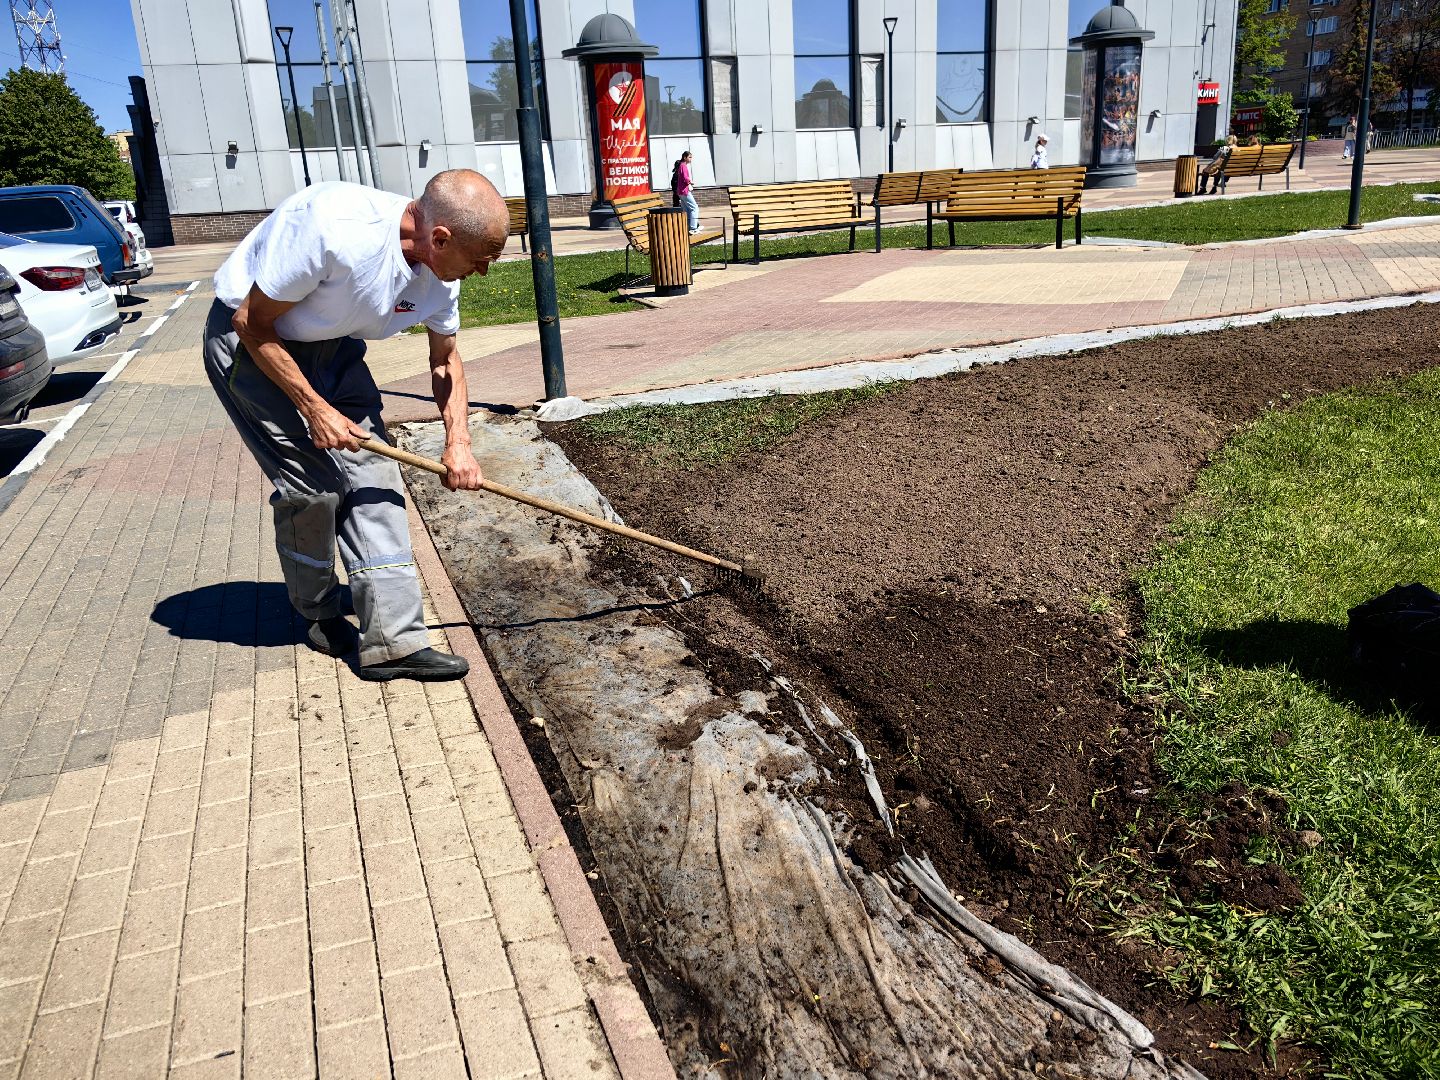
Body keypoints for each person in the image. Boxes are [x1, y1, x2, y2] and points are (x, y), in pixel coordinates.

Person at [205, 171, 507, 682]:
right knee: (315, 488)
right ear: (439, 238)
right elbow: (251, 322)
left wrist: (459, 442)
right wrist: (313, 408)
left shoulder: (441, 276)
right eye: (479, 259)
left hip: (334, 350)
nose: (480, 272)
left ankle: (394, 643)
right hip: (254, 347)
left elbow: (445, 360)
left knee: (375, 480)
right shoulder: (333, 226)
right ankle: (318, 610)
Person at [673, 150, 700, 233]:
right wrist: (690, 182)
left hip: (680, 191)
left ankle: (688, 227)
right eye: (689, 157)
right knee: (694, 207)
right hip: (684, 191)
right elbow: (685, 177)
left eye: (691, 157)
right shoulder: (683, 165)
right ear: (685, 157)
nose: (691, 159)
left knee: (687, 209)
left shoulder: (681, 165)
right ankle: (693, 228)